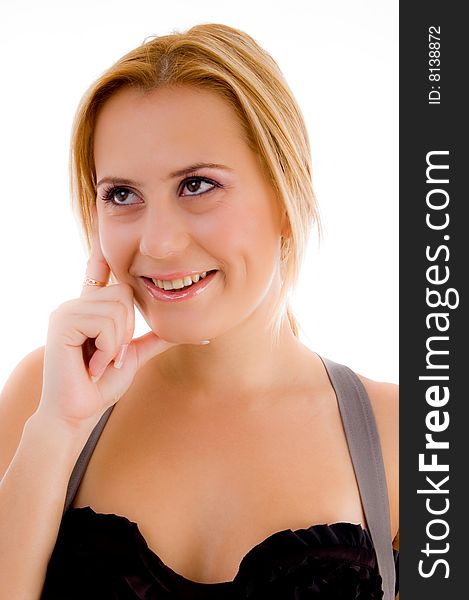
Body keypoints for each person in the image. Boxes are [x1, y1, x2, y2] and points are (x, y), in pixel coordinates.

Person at [0, 23, 398, 599]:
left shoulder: (405, 433)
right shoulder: (46, 397)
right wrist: (56, 431)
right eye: (122, 194)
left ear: (287, 194)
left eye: (197, 185)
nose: (158, 243)